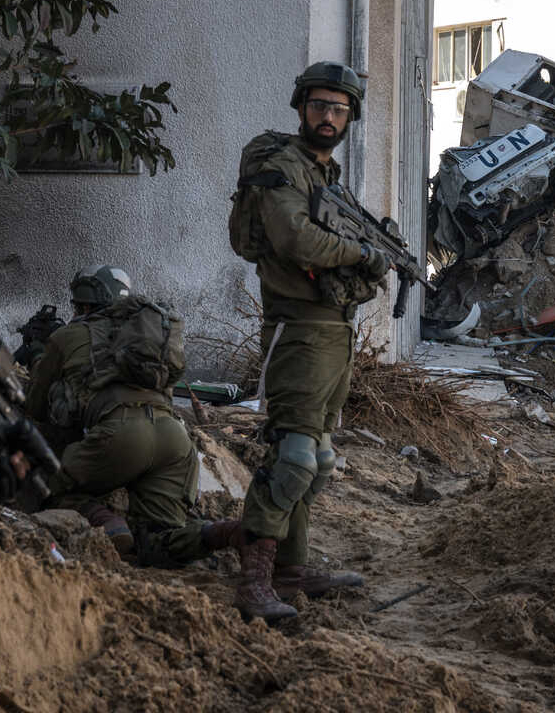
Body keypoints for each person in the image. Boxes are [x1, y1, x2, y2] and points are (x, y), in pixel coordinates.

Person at [228, 61, 390, 621]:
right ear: (301, 107)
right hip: (297, 327)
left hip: (333, 329)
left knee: (318, 459)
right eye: (319, 105)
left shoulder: (326, 174)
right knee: (292, 457)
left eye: (340, 109)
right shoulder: (282, 165)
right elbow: (294, 237)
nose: (328, 116)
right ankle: (253, 581)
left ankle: (291, 566)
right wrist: (365, 254)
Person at [30, 266, 242, 567]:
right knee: (158, 541)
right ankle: (225, 533)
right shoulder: (148, 340)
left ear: (85, 304)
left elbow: (34, 408)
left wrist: (39, 356)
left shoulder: (68, 335)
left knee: (39, 479)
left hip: (120, 436)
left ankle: (105, 520)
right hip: (175, 440)